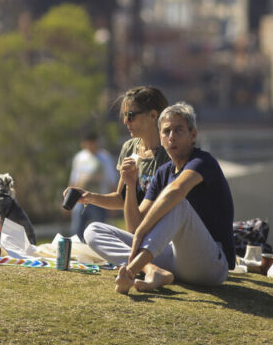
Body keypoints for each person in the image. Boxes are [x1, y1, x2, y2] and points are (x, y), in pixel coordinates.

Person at [113, 102, 235, 293]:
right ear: (160, 138)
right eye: (166, 131)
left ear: (192, 135)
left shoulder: (203, 162)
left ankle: (131, 271)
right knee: (94, 230)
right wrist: (130, 185)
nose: (172, 137)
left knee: (179, 205)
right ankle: (153, 270)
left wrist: (141, 231)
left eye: (178, 130)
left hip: (211, 265)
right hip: (173, 258)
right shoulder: (163, 173)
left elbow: (176, 190)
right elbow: (135, 227)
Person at [65, 86, 170, 256]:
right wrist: (89, 197)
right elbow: (120, 198)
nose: (125, 122)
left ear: (153, 115)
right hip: (138, 236)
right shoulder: (130, 148)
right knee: (91, 231)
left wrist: (130, 184)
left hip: (160, 238)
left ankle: (141, 265)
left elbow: (137, 223)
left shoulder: (169, 155)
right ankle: (140, 264)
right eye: (124, 116)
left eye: (130, 116)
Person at [67, 130, 118, 241]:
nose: (90, 146)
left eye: (92, 142)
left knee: (99, 231)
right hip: (80, 201)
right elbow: (74, 180)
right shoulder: (79, 157)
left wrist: (113, 204)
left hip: (98, 201)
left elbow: (112, 181)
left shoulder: (105, 158)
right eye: (87, 143)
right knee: (76, 231)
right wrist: (68, 200)